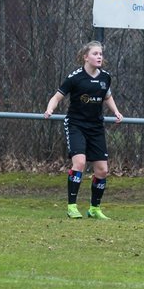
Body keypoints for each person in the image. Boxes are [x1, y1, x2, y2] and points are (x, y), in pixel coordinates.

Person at [44, 40, 123, 219]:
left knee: (102, 170)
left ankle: (94, 209)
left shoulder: (105, 77)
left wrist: (117, 112)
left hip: (96, 127)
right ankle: (72, 206)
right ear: (85, 57)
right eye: (95, 54)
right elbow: (56, 97)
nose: (99, 57)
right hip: (76, 125)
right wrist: (50, 109)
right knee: (79, 163)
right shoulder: (75, 77)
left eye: (101, 54)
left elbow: (107, 97)